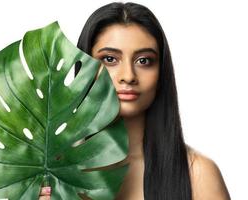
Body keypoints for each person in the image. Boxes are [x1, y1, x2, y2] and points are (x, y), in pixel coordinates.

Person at [39, 2, 230, 200]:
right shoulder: (51, 174)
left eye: (144, 60)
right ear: (84, 68)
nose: (128, 76)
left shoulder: (197, 174)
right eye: (110, 59)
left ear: (161, 72)